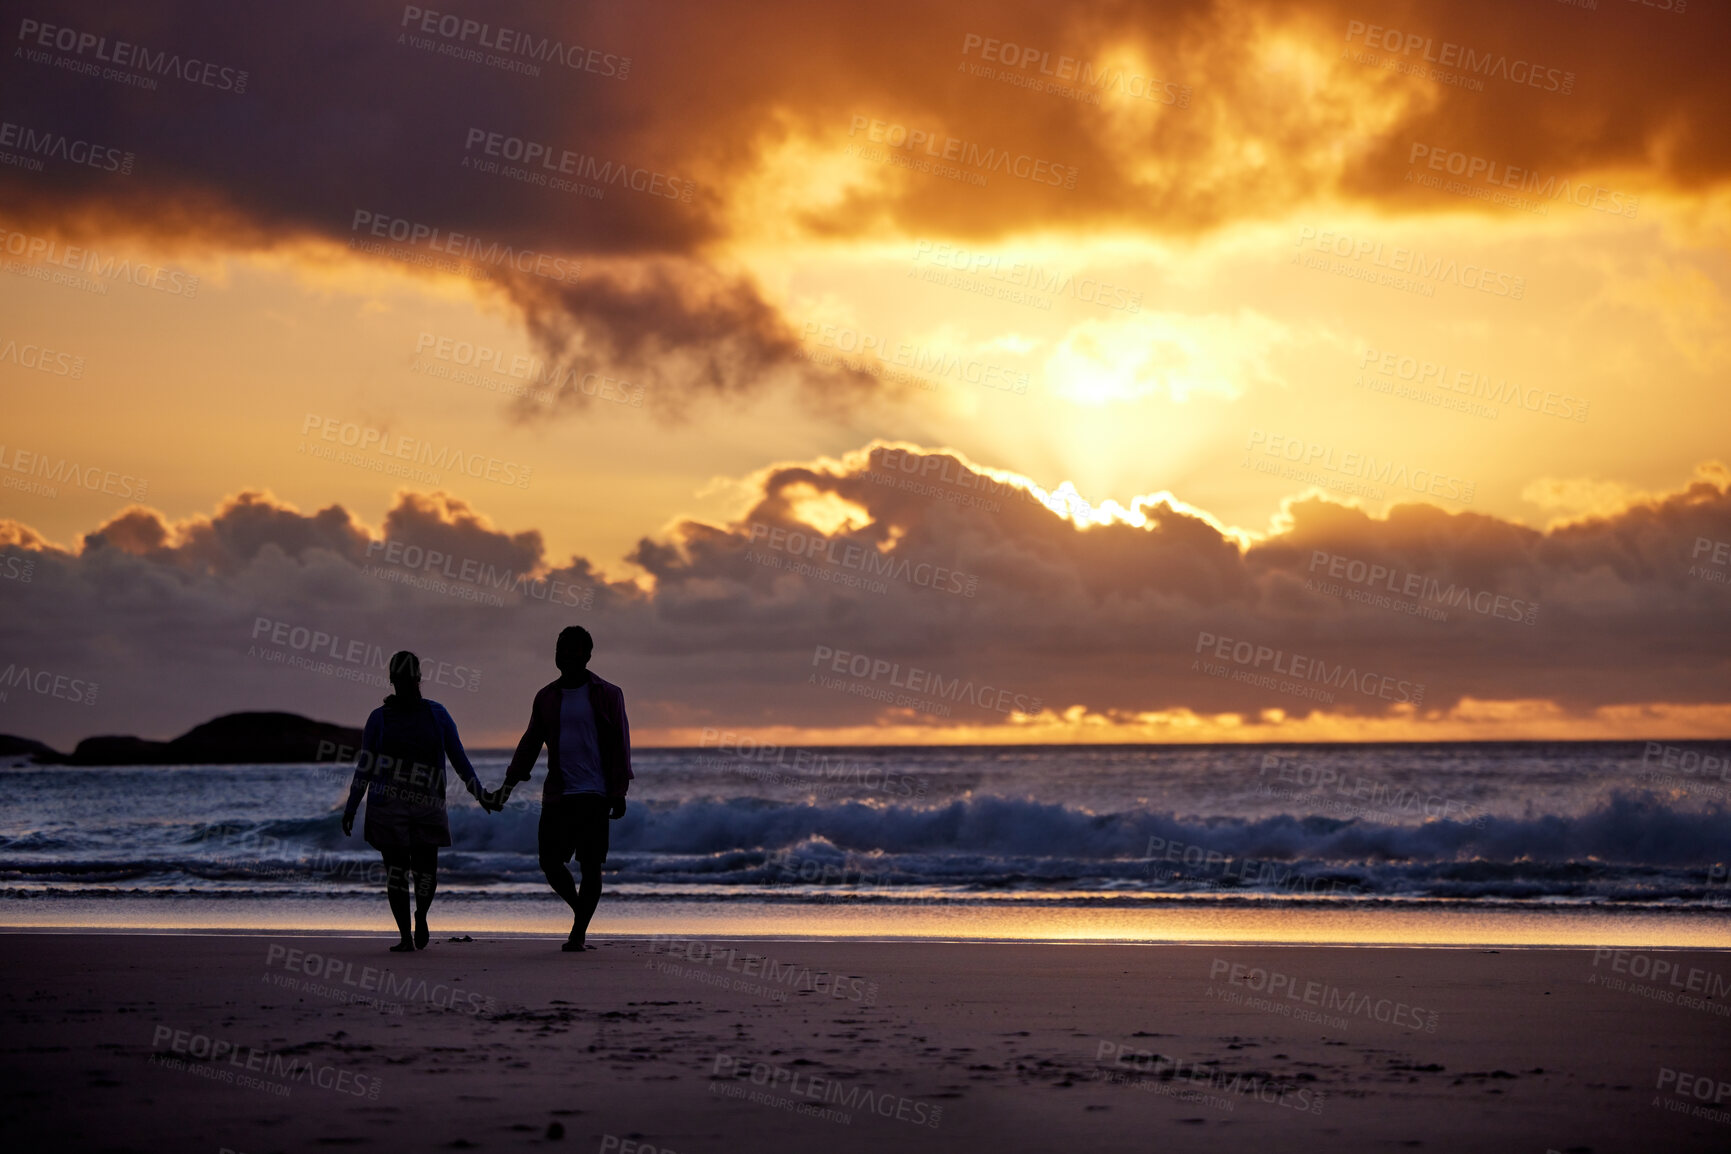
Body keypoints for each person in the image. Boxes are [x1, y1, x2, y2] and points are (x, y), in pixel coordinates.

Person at [342, 650, 496, 952]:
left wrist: (478, 793)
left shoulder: (437, 714)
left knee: (427, 873)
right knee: (396, 873)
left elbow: (458, 757)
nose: (404, 684)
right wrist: (352, 805)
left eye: (408, 678)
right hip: (388, 804)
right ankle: (405, 936)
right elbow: (365, 766)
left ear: (418, 678)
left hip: (428, 801)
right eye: (399, 679)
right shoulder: (379, 719)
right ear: (392, 681)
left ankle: (421, 915)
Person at [494, 626, 632, 952]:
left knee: (590, 865)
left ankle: (578, 934)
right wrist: (507, 787)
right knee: (550, 862)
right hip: (559, 793)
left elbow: (619, 743)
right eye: (560, 649)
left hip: (595, 794)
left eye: (572, 650)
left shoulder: (608, 694)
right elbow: (529, 744)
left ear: (587, 656)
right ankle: (579, 910)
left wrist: (619, 791)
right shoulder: (546, 697)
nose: (565, 655)